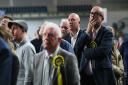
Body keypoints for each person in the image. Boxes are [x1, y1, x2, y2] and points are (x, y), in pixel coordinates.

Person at [74, 6, 116, 85]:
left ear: (102, 18)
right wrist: (87, 32)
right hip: (85, 77)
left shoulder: (107, 33)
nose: (93, 15)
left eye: (96, 14)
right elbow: (76, 49)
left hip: (102, 76)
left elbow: (103, 52)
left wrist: (86, 52)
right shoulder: (83, 33)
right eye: (91, 13)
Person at [8, 20, 36, 85]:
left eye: (14, 28)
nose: (11, 32)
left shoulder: (27, 47)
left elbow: (29, 74)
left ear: (23, 30)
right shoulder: (18, 47)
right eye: (11, 29)